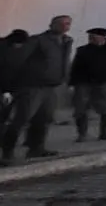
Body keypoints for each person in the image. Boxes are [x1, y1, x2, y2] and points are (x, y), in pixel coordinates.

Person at [4, 15, 73, 160]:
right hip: (33, 86)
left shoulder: (67, 41)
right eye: (62, 23)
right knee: (22, 119)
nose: (66, 26)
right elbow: (18, 59)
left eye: (68, 24)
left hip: (52, 86)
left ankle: (36, 148)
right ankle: (7, 152)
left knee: (44, 118)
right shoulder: (38, 40)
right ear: (52, 25)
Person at [69, 26, 106, 142]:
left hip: (105, 81)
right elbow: (75, 67)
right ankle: (82, 134)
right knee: (81, 108)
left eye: (93, 37)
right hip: (84, 82)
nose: (91, 39)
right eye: (90, 37)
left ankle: (104, 133)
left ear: (102, 37)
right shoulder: (83, 50)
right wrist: (72, 83)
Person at [0, 27, 35, 163]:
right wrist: (5, 90)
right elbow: (5, 71)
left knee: (6, 120)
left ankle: (7, 152)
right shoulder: (6, 50)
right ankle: (6, 153)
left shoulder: (11, 48)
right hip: (7, 89)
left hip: (14, 88)